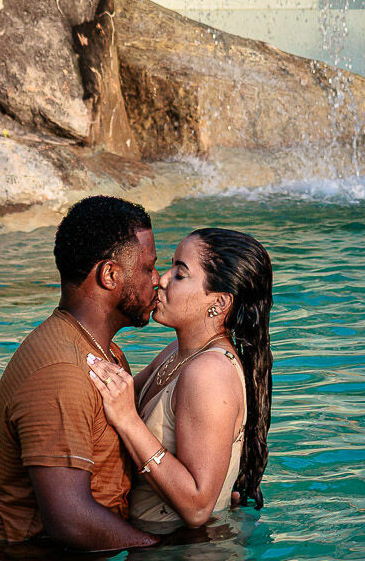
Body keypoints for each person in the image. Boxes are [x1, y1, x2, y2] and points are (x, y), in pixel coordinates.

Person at [0, 196, 162, 554]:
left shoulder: (103, 352)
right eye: (148, 268)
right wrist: (163, 551)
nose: (158, 279)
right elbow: (69, 521)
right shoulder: (62, 373)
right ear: (110, 275)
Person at [86, 228, 274, 535]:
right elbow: (114, 397)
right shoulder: (176, 351)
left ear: (220, 302)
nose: (161, 280)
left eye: (180, 274)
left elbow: (197, 507)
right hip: (146, 540)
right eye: (170, 266)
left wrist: (128, 421)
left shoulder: (210, 372)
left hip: (182, 549)